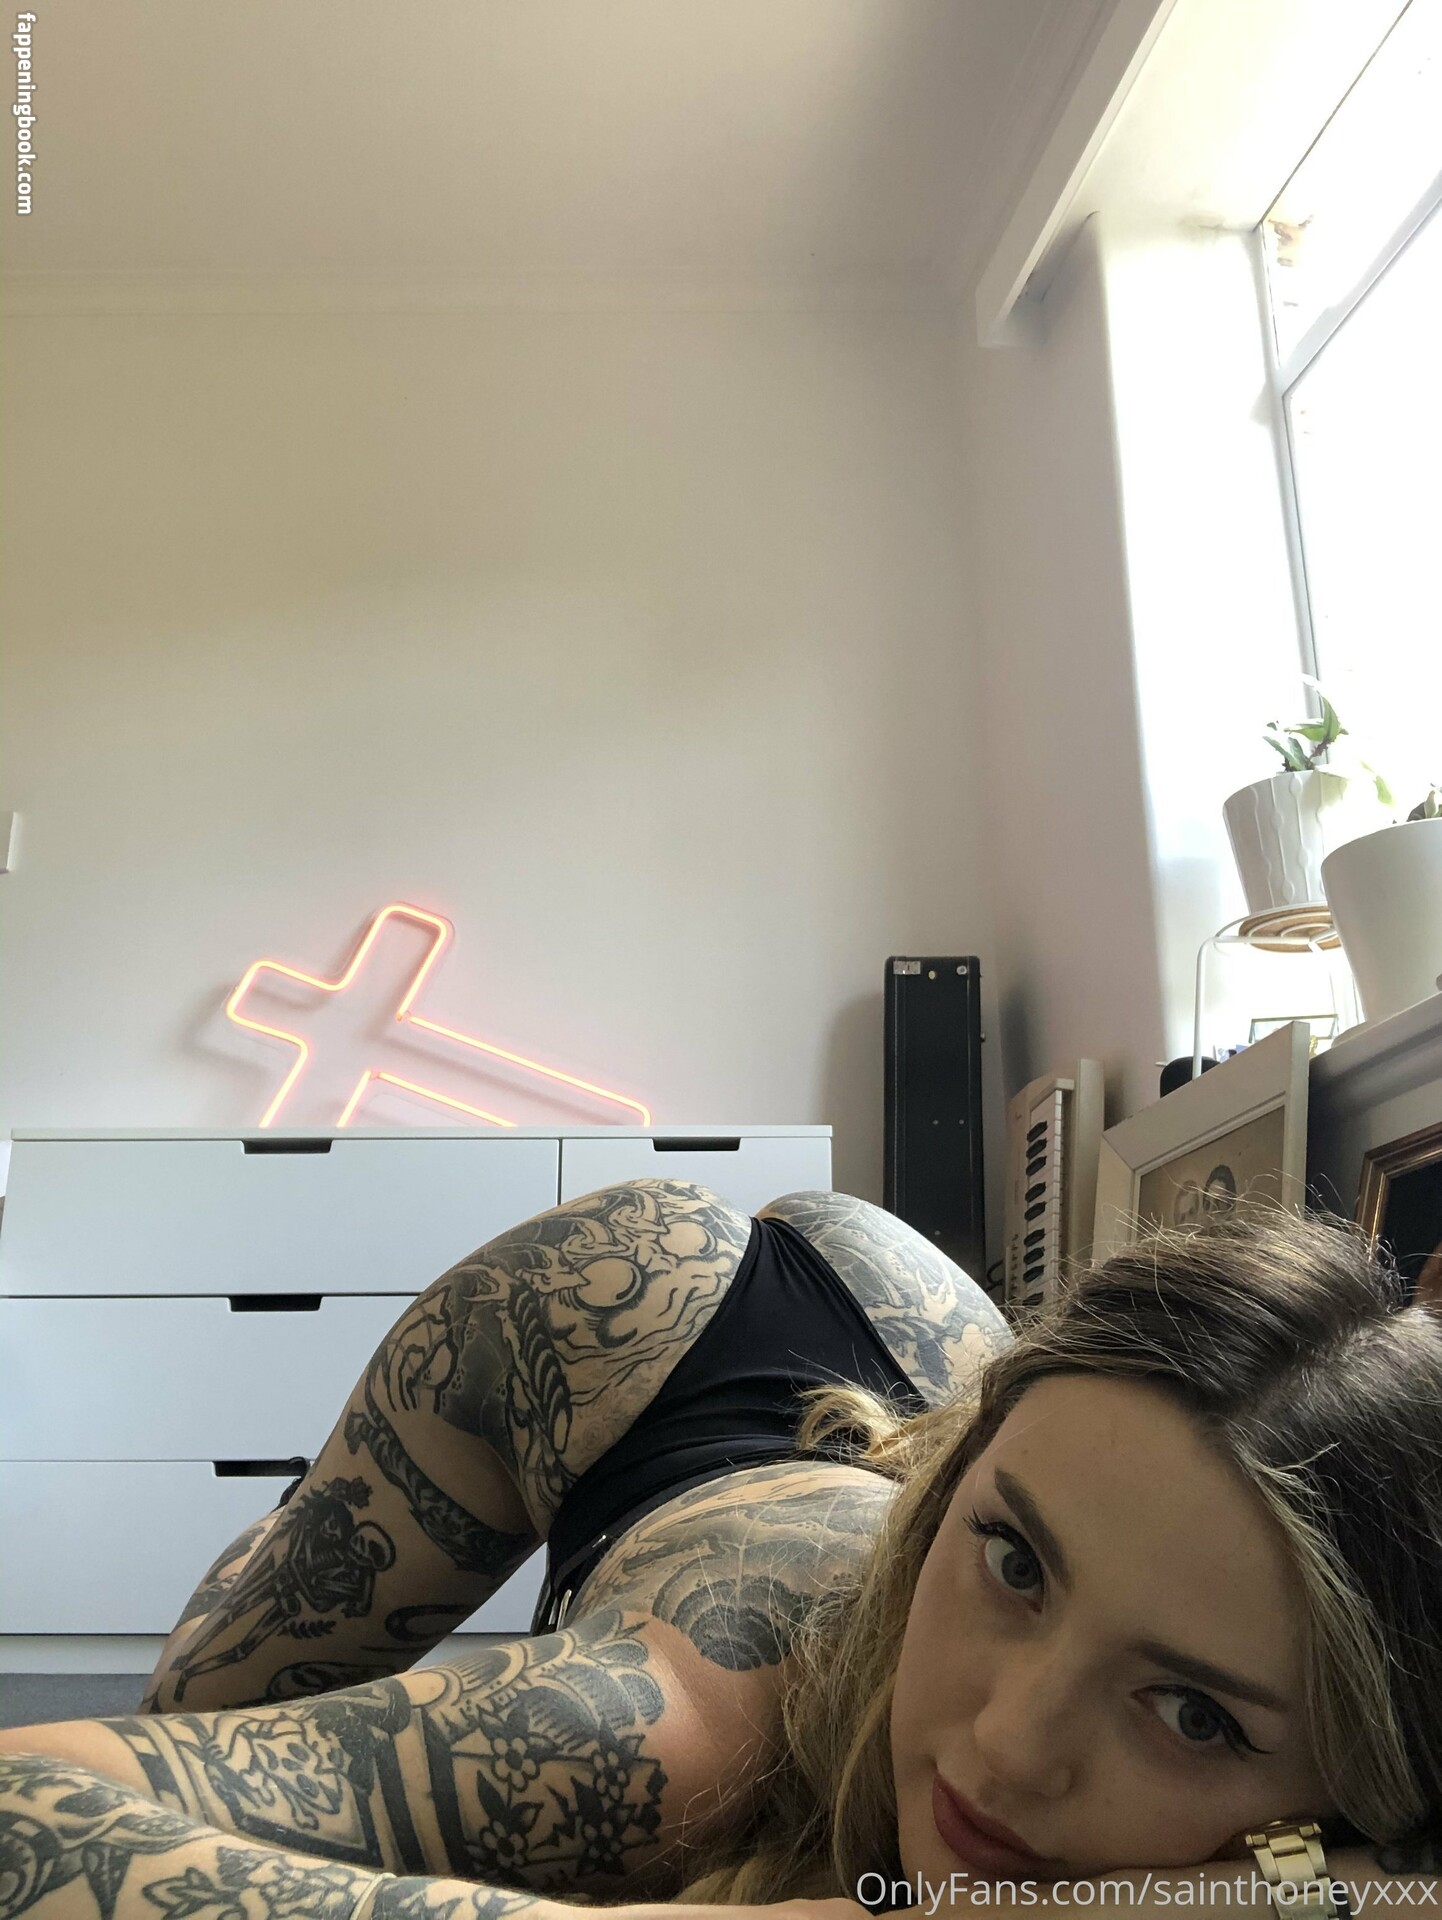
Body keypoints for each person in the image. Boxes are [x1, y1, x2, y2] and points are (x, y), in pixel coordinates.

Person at [2, 1180, 1442, 1920]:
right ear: (963, 1496)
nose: (1008, 1751)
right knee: (215, 1690)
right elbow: (27, 1807)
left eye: (1189, 1715)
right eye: (1011, 1565)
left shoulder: (1347, 1806)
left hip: (955, 1385)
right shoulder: (678, 1724)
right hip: (629, 1317)